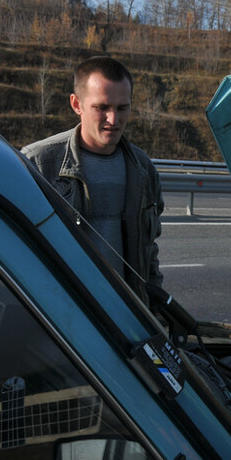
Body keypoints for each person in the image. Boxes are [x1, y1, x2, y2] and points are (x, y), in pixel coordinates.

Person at [22, 56, 163, 302]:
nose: (113, 120)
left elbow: (149, 253)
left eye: (122, 108)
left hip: (126, 318)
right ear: (77, 104)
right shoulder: (38, 164)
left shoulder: (143, 170)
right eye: (102, 108)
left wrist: (154, 308)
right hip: (58, 314)